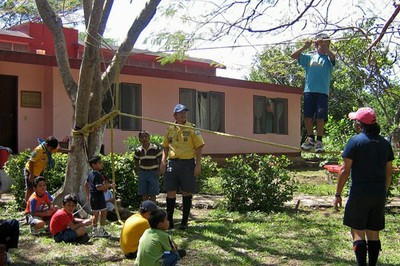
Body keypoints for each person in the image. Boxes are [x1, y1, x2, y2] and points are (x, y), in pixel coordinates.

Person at [334, 107, 394, 266]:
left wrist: (337, 194)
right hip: (379, 193)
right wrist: (383, 191)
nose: (354, 123)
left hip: (359, 193)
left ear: (360, 125)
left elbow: (345, 171)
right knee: (374, 233)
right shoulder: (384, 144)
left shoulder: (355, 141)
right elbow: (389, 172)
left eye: (355, 121)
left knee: (358, 232)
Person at [160, 104, 205, 230]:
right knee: (170, 192)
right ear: (175, 115)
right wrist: (163, 161)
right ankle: (170, 221)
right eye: (180, 113)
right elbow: (165, 146)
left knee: (186, 192)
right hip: (173, 163)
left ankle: (184, 221)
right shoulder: (170, 128)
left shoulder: (192, 128)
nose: (183, 115)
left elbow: (199, 146)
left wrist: (198, 164)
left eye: (185, 112)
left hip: (187, 163)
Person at [291, 33, 336, 153]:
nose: (324, 46)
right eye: (321, 44)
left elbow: (333, 57)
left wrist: (325, 46)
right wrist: (305, 46)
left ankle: (319, 141)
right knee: (307, 117)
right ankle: (310, 139)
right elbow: (293, 55)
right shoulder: (310, 58)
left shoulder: (329, 59)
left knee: (320, 117)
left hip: (322, 92)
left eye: (326, 44)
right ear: (316, 45)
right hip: (309, 91)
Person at [23, 136, 73, 204]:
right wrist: (31, 174)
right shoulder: (38, 150)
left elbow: (58, 150)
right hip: (30, 171)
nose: (52, 150)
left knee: (39, 189)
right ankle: (27, 206)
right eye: (51, 148)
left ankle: (36, 205)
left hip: (39, 172)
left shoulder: (49, 149)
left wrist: (69, 151)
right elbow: (31, 162)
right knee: (30, 189)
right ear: (47, 145)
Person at [85, 155, 116, 237]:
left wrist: (88, 195)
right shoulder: (98, 175)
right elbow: (98, 188)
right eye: (99, 162)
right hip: (98, 197)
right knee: (103, 212)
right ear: (94, 165)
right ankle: (101, 230)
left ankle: (94, 231)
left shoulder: (90, 174)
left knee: (95, 214)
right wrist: (110, 185)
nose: (102, 164)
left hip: (93, 197)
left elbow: (86, 184)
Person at [134, 130, 162, 202]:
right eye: (142, 137)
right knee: (144, 192)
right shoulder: (138, 150)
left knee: (153, 193)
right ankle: (145, 209)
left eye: (145, 137)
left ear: (149, 138)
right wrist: (138, 170)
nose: (144, 139)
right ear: (139, 139)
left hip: (153, 172)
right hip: (143, 173)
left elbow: (160, 159)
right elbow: (136, 160)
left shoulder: (155, 148)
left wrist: (159, 170)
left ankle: (153, 209)